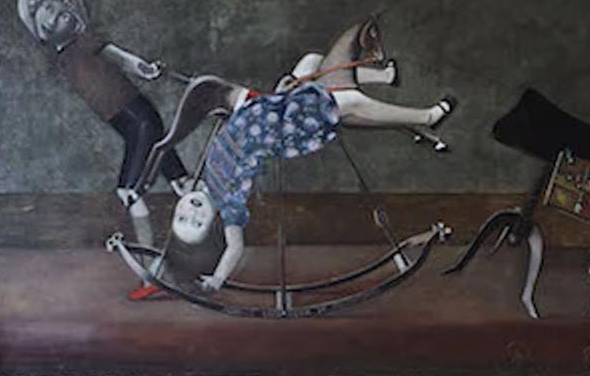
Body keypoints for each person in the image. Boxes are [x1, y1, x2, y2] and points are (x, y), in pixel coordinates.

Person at [164, 19, 457, 292]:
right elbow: (234, 248)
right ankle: (427, 117)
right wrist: (217, 278)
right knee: (349, 102)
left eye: (182, 217)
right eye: (197, 222)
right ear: (214, 223)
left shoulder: (195, 182)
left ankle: (383, 75)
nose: (192, 212)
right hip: (287, 128)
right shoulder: (230, 208)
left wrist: (276, 95)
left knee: (312, 62)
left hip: (274, 107)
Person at [0, 0, 187, 247]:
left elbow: (121, 58)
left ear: (74, 21)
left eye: (62, 13)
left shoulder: (85, 41)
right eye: (49, 11)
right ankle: (184, 252)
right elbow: (27, 12)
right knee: (182, 182)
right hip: (131, 126)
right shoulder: (60, 52)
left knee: (129, 191)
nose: (54, 15)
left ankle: (155, 259)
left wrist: (146, 69)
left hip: (140, 120)